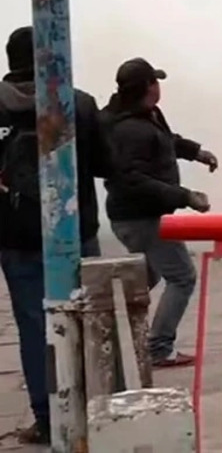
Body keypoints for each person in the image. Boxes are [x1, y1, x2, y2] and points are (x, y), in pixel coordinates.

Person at [0, 26, 110, 444]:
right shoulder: (77, 102)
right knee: (88, 320)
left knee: (33, 327)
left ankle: (47, 418)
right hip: (76, 230)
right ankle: (92, 411)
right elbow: (104, 164)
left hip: (16, 237)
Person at [102, 57, 218, 369]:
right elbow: (134, 180)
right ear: (147, 88)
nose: (159, 86)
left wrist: (195, 152)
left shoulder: (144, 115)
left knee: (145, 276)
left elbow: (166, 141)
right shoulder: (129, 130)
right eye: (155, 81)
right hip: (142, 219)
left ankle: (108, 328)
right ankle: (159, 347)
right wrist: (185, 196)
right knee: (182, 276)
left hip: (139, 216)